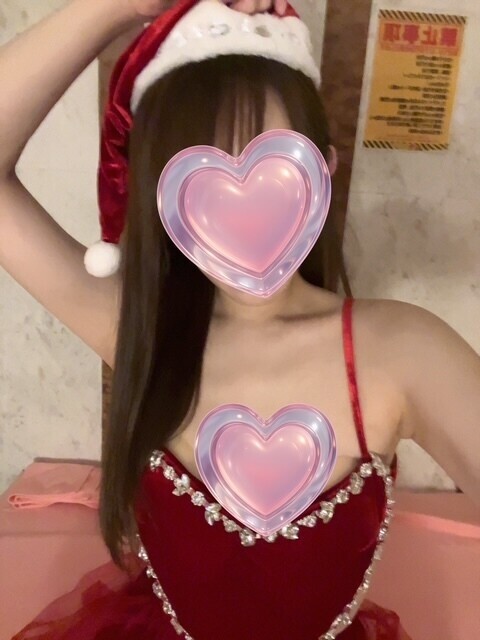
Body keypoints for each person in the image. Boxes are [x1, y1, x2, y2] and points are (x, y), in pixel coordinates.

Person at [1, 0, 479, 638]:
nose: (240, 209)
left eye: (274, 163)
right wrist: (124, 7)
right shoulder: (141, 329)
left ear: (324, 170)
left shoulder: (401, 350)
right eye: (197, 178)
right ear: (158, 196)